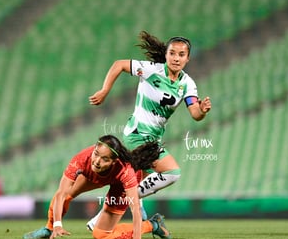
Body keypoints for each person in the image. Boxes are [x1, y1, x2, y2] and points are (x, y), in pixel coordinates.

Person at [87, 31, 211, 228]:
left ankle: (99, 221)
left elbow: (195, 114)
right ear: (166, 55)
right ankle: (125, 201)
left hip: (153, 139)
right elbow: (119, 64)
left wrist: (202, 111)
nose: (176, 58)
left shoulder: (187, 84)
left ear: (187, 58)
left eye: (181, 54)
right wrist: (104, 90)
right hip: (137, 135)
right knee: (172, 172)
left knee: (133, 184)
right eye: (172, 53)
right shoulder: (151, 69)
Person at [22, 135, 170, 239]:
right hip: (93, 176)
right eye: (96, 154)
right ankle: (49, 229)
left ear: (114, 162)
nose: (97, 161)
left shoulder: (126, 170)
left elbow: (135, 209)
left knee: (101, 235)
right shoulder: (81, 160)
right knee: (65, 195)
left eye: (105, 159)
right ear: (94, 149)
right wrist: (57, 225)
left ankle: (153, 224)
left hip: (119, 185)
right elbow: (61, 193)